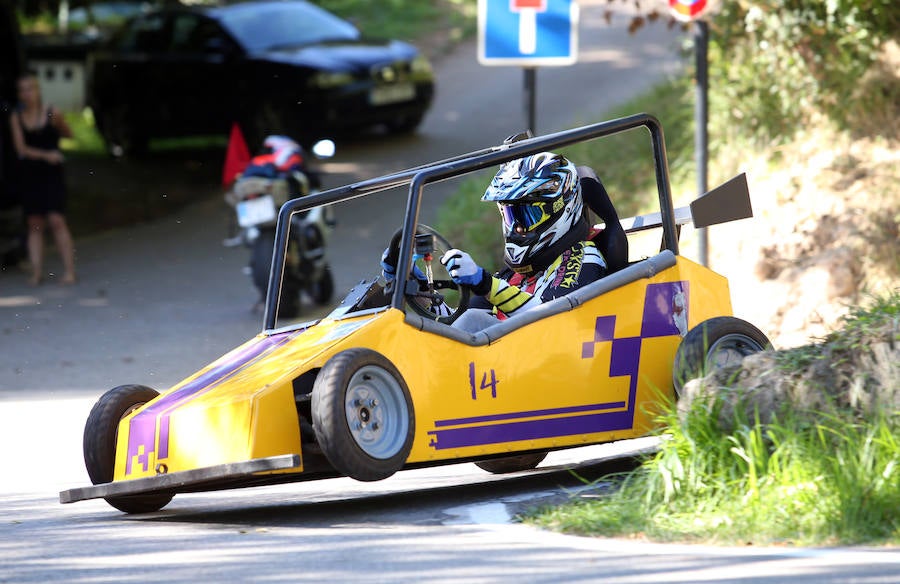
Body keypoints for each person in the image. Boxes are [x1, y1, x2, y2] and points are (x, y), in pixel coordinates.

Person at [9, 71, 75, 285]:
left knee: (56, 220)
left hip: (51, 174)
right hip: (30, 174)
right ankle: (37, 272)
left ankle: (69, 271)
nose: (27, 94)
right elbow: (21, 148)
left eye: (31, 88)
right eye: (23, 90)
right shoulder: (16, 118)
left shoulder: (51, 113)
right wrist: (47, 155)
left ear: (38, 90)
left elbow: (68, 134)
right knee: (35, 223)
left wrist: (60, 129)